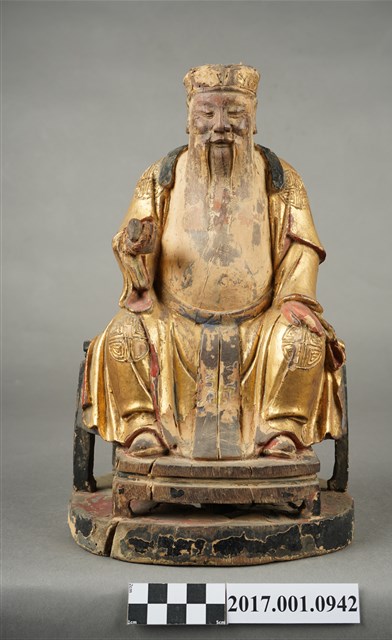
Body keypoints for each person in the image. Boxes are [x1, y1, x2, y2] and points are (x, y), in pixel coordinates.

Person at [82, 64, 345, 461]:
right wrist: (136, 250)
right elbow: (132, 238)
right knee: (123, 334)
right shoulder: (160, 178)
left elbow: (301, 247)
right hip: (174, 327)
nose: (220, 126)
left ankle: (282, 430)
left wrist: (294, 297)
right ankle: (144, 426)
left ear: (253, 119)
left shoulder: (282, 180)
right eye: (207, 113)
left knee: (303, 339)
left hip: (258, 327)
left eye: (234, 114)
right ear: (189, 120)